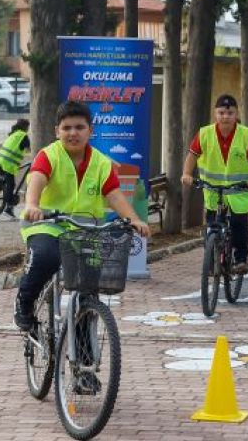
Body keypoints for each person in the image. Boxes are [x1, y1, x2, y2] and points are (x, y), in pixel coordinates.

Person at [14, 101, 150, 331]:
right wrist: (32, 205)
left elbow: (114, 195)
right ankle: (24, 303)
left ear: (90, 130)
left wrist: (134, 219)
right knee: (46, 258)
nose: (73, 133)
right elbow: (37, 179)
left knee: (89, 285)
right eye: (66, 128)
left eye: (79, 127)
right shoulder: (49, 155)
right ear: (57, 131)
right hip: (47, 225)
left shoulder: (101, 162)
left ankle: (85, 353)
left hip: (85, 232)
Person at [180, 94, 248, 275]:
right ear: (215, 114)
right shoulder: (205, 133)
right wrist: (186, 174)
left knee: (239, 222)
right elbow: (192, 155)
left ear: (236, 114)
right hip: (213, 188)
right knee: (211, 225)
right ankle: (211, 260)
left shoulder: (245, 134)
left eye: (230, 113)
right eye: (221, 112)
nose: (225, 116)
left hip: (238, 189)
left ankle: (241, 259)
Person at [0, 118, 30, 219]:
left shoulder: (13, 134)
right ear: (26, 127)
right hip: (8, 163)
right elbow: (29, 149)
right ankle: (8, 209)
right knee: (11, 184)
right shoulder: (23, 136)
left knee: (4, 181)